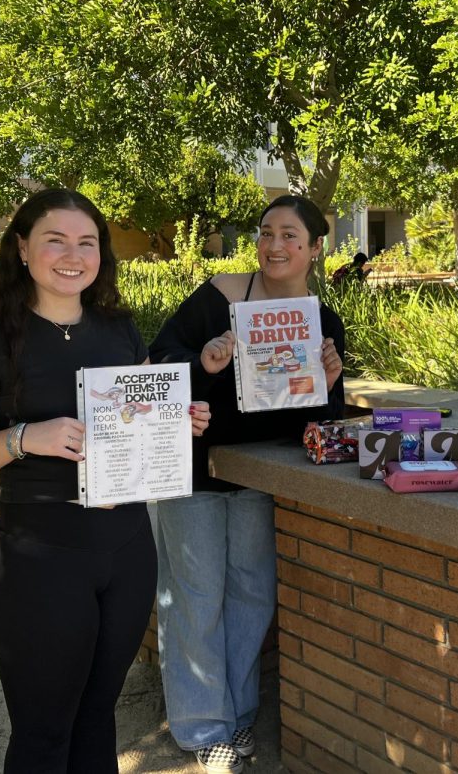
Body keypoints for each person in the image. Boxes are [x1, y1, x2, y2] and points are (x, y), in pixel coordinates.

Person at [0, 189, 211, 774]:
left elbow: (130, 423)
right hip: (40, 561)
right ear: (22, 249)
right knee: (44, 735)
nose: (72, 255)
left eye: (87, 242)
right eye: (55, 239)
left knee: (96, 719)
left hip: (128, 551)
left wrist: (172, 421)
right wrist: (25, 437)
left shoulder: (120, 329)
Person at [148, 195, 346, 774]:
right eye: (266, 233)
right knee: (195, 595)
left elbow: (318, 421)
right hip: (199, 465)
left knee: (252, 593)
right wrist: (205, 362)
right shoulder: (220, 294)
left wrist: (330, 383)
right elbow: (160, 358)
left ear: (314, 247)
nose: (274, 245)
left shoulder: (320, 319)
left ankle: (235, 716)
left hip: (263, 474)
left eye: (289, 235)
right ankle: (201, 727)